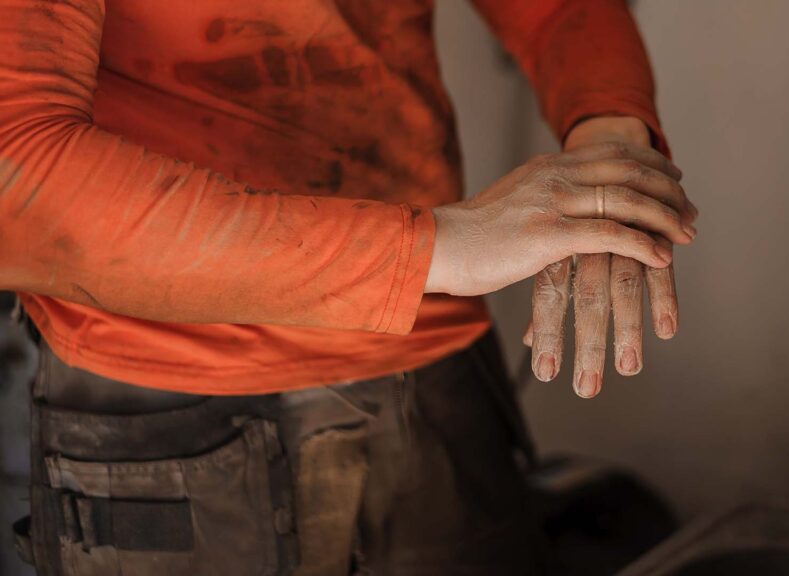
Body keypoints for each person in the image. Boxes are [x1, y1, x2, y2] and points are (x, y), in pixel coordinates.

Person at [0, 1, 697, 574]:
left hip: (432, 366)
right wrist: (433, 248)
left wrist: (608, 132)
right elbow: (19, 185)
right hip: (170, 397)